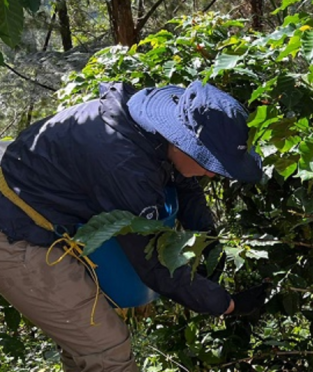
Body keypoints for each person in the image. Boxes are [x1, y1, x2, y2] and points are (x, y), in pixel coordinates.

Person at [0, 80, 267, 371]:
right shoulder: (125, 165)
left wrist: (208, 243)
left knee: (86, 344)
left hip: (34, 212)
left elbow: (185, 185)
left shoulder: (148, 129)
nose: (211, 175)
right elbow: (154, 264)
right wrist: (225, 304)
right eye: (209, 163)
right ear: (182, 142)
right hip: (15, 233)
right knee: (106, 348)